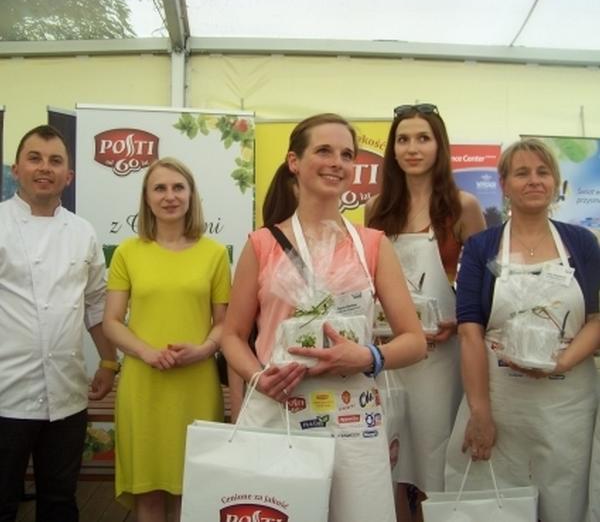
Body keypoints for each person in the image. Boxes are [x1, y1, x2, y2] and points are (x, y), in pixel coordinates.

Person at [221, 113, 428, 522]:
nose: (337, 162)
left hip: (354, 418)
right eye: (324, 151)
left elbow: (414, 340)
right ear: (294, 162)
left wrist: (369, 357)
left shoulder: (373, 244)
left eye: (347, 155)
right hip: (280, 409)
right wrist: (258, 377)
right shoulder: (262, 244)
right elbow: (232, 335)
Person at [445, 138, 600, 522]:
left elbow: (597, 319)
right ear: (504, 184)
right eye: (522, 173)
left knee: (565, 500)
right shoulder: (481, 247)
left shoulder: (582, 243)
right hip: (501, 401)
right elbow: (469, 331)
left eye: (543, 172)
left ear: (555, 183)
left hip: (567, 406)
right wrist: (480, 412)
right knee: (496, 504)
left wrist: (560, 363)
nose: (534, 180)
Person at [365, 103, 485, 520]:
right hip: (390, 354)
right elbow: (369, 282)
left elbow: (483, 284)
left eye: (423, 138)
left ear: (440, 146)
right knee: (390, 455)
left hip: (441, 356)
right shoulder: (376, 209)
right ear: (393, 150)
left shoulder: (462, 206)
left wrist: (461, 321)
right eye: (403, 140)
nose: (412, 148)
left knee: (435, 455)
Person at [102, 157, 231, 522]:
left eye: (178, 187)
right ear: (147, 197)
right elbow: (111, 321)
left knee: (192, 493)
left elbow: (224, 325)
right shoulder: (127, 252)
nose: (169, 196)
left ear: (191, 195)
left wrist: (203, 350)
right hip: (143, 386)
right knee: (149, 492)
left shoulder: (215, 254)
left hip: (196, 385)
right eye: (159, 188)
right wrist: (146, 352)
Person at [0, 125, 116, 522]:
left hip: (67, 395)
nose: (44, 168)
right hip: (5, 394)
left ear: (69, 176)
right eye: (34, 158)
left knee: (60, 502)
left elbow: (95, 303)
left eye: (55, 161)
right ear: (16, 169)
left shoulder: (82, 232)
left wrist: (108, 362)